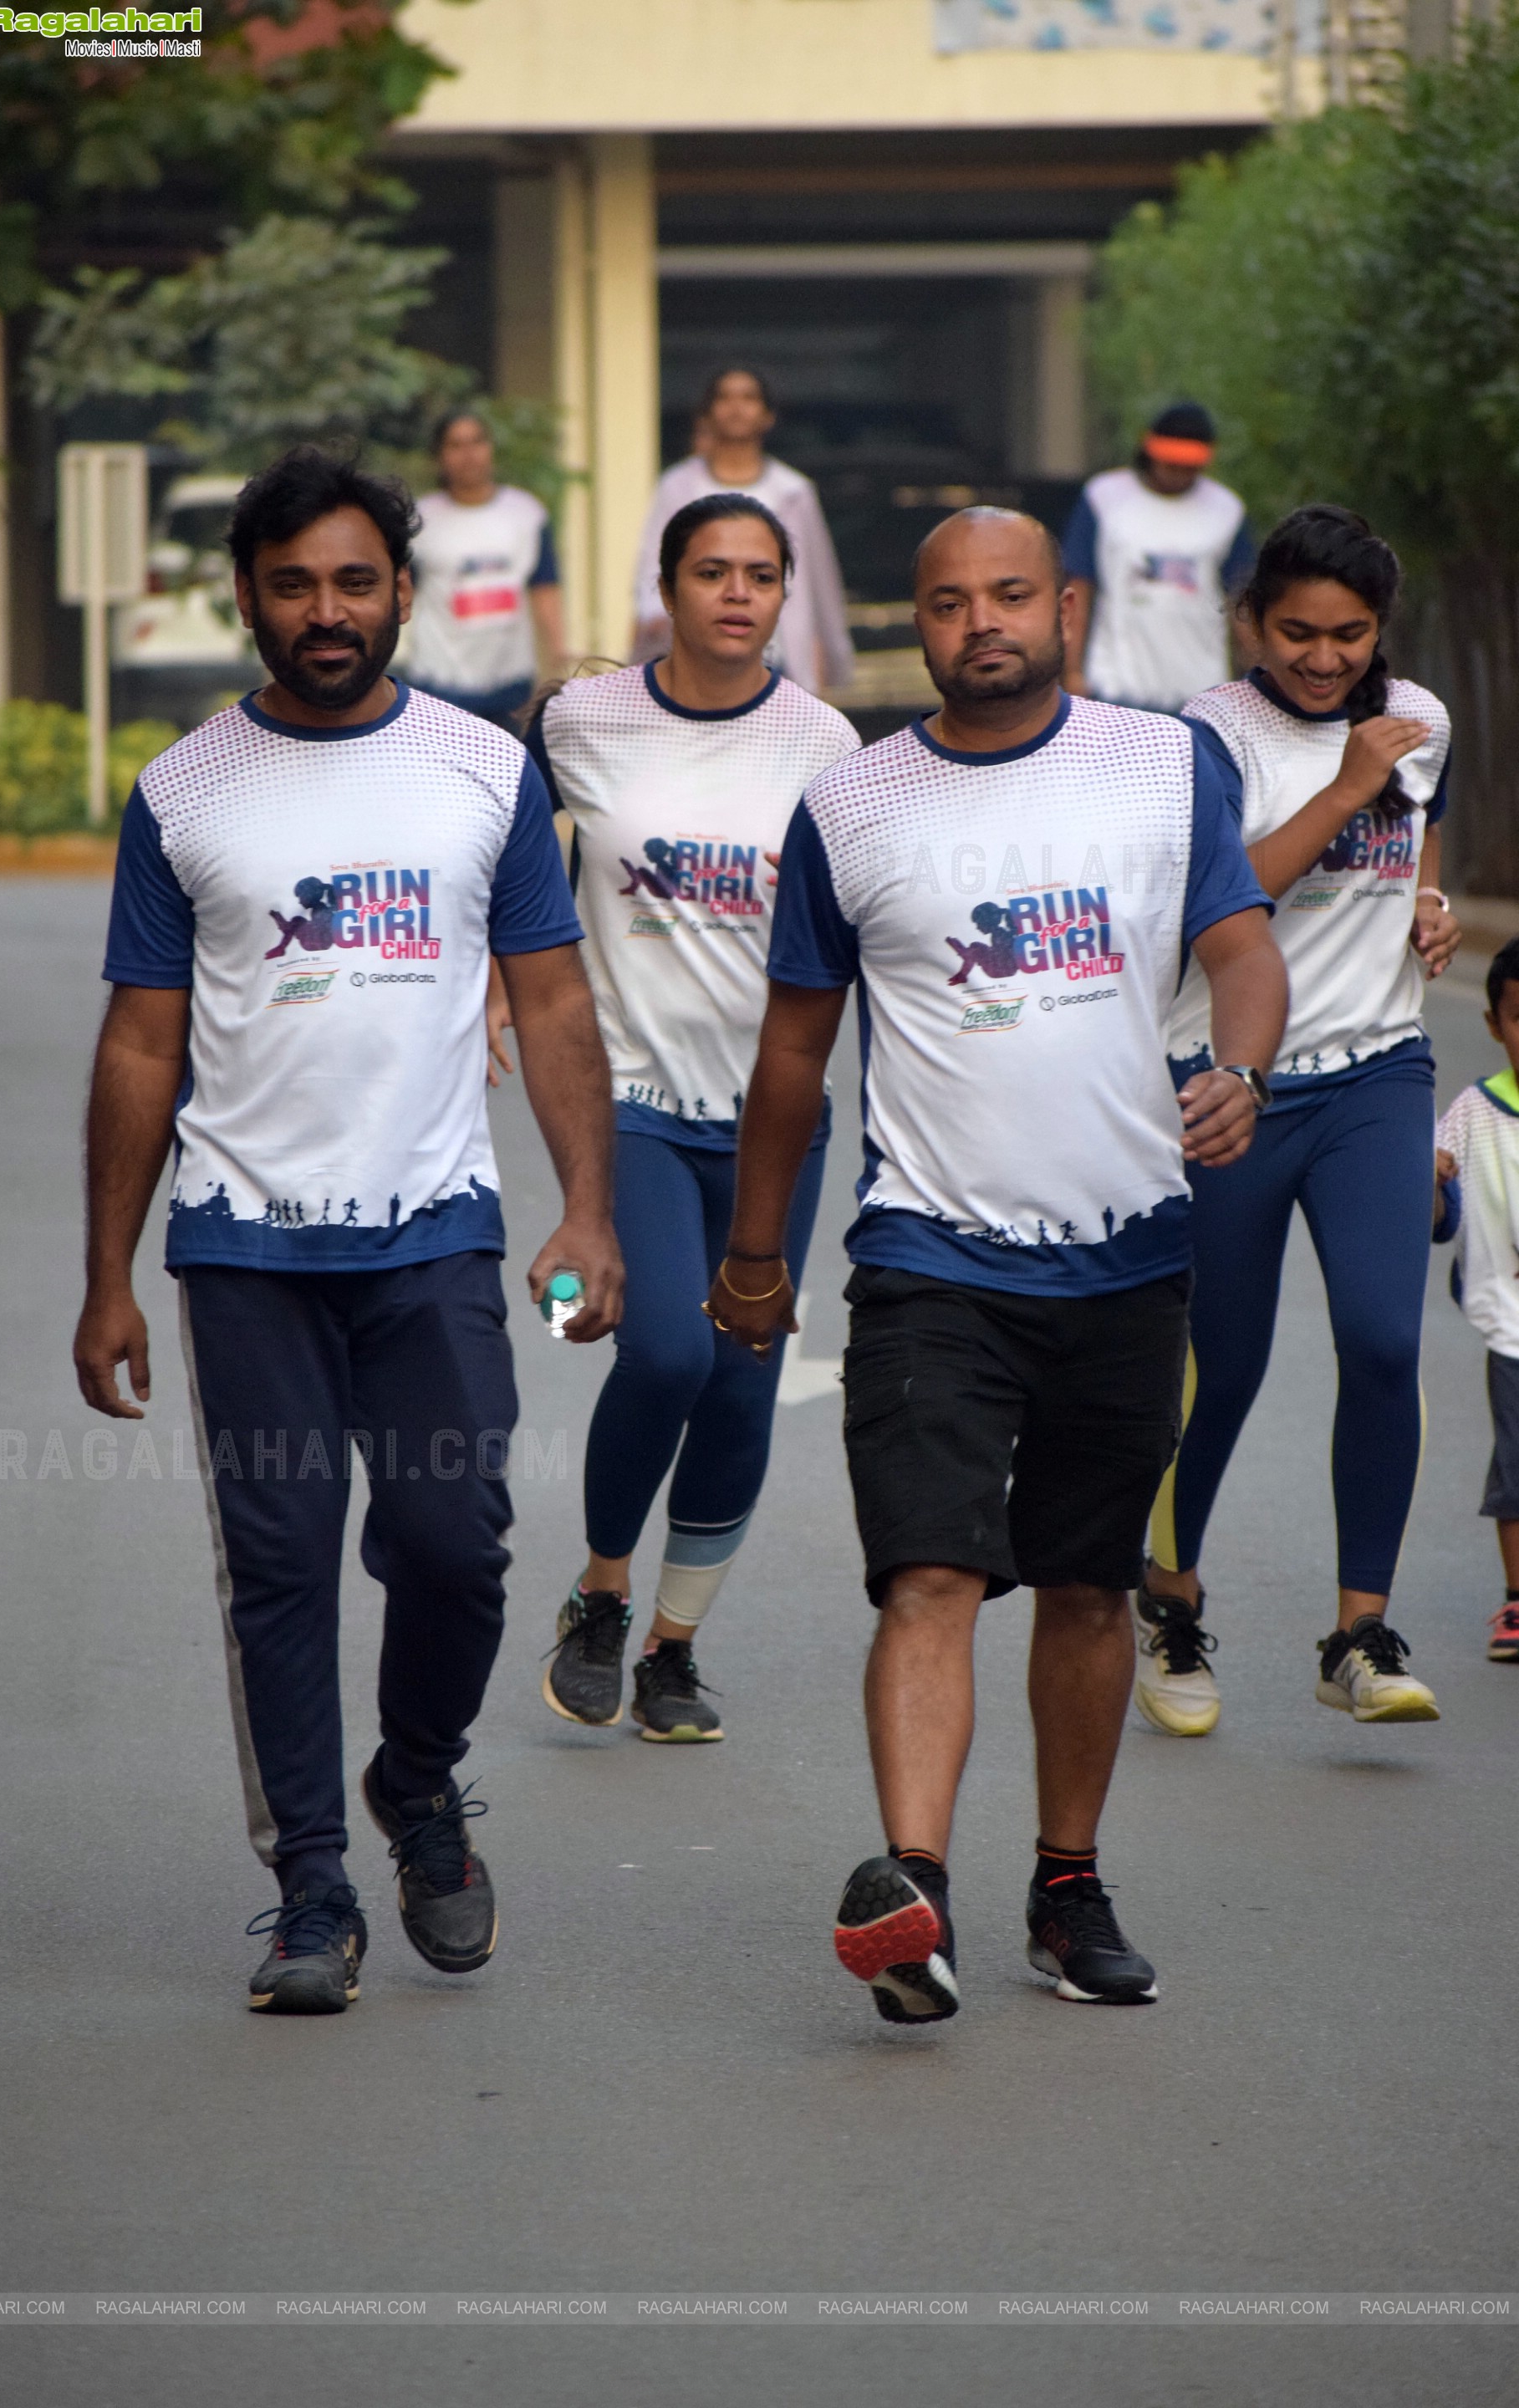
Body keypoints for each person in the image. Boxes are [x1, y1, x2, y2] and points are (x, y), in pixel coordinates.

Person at [706, 506, 1284, 2021]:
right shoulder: (853, 808)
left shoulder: (1166, 767)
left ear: (1069, 608)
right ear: (921, 623)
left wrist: (1243, 1065)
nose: (983, 625)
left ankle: (1067, 1887)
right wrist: (754, 1256)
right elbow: (791, 1054)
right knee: (933, 1576)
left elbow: (1242, 947)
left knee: (1091, 1588)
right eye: (952, 604)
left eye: (1011, 595)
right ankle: (916, 1890)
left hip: (1128, 1253)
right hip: (931, 1258)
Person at [72, 445, 623, 2017]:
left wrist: (587, 1203)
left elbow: (553, 996)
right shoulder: (183, 790)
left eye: (356, 581)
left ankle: (421, 1780)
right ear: (248, 595)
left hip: (433, 1233)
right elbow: (137, 1044)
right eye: (295, 583)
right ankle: (313, 1887)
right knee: (280, 1567)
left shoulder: (482, 771)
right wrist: (106, 1276)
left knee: (457, 1547)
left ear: (405, 591)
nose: (328, 611)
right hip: (246, 1246)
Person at [526, 494, 859, 1739]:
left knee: (740, 1384)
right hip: (634, 1103)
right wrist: (502, 993)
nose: (736, 593)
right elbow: (500, 860)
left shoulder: (827, 745)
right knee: (666, 1349)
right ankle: (602, 1592)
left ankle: (673, 1646)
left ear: (784, 596)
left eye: (761, 575)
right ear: (665, 586)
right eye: (710, 571)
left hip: (778, 1115)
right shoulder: (582, 721)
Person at [1140, 505, 1459, 1736]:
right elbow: (1230, 892)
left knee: (1385, 1340)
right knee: (1223, 1361)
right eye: (1297, 633)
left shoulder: (1422, 720)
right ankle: (1168, 1598)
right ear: (1249, 622)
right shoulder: (1207, 737)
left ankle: (1358, 1634)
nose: (1324, 659)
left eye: (1351, 634)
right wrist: (1348, 784)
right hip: (1232, 1084)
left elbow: (1422, 834)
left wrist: (1428, 897)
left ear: (1381, 628)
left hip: (1378, 1074)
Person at [632, 369, 854, 697]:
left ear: (768, 416)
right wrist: (652, 613)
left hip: (777, 658)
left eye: (749, 398)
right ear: (707, 414)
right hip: (694, 659)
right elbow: (653, 559)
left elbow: (819, 581)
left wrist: (827, 660)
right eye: (725, 397)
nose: (736, 407)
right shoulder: (678, 486)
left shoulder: (793, 492)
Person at [1432, 936, 1519, 1662]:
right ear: (1494, 1025)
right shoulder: (1475, 1112)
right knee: (1517, 1466)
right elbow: (1438, 1207)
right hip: (1513, 1328)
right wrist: (1430, 1174)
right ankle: (1518, 1602)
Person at [1063, 401, 1256, 714]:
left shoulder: (1226, 509)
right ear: (1149, 451)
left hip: (1201, 691)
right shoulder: (1104, 497)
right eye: (1171, 463)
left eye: (1189, 465)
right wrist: (1073, 673)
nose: (1179, 473)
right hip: (1116, 688)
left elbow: (1242, 599)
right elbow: (1079, 588)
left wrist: (1256, 675)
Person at [406, 408, 564, 729]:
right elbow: (401, 593)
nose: (469, 454)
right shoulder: (420, 519)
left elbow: (544, 586)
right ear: (439, 456)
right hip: (440, 681)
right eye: (456, 445)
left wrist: (558, 650)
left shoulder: (526, 513)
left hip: (509, 681)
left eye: (477, 442)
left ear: (491, 448)